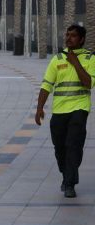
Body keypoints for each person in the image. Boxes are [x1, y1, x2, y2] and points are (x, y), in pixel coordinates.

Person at [35, 24, 95, 198]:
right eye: (67, 35)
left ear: (82, 39)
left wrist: (75, 63)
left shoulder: (90, 59)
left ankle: (70, 183)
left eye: (73, 36)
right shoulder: (57, 58)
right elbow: (47, 85)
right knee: (60, 147)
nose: (68, 38)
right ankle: (67, 174)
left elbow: (88, 83)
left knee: (73, 145)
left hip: (79, 108)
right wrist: (39, 108)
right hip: (59, 110)